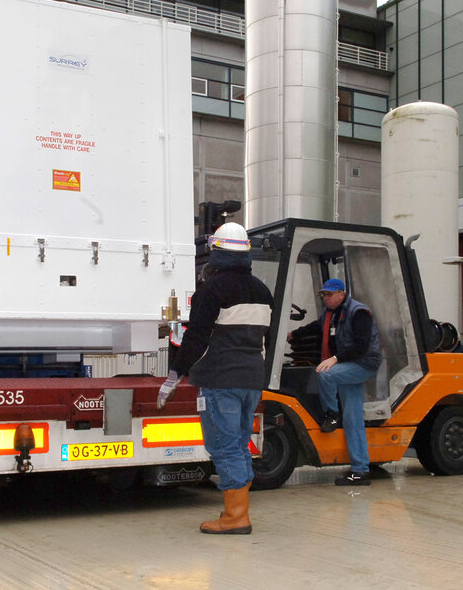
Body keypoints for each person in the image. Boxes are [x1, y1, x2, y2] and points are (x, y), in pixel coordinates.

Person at [157, 222, 273, 534]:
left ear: (215, 251)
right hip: (251, 381)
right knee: (238, 443)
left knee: (223, 446)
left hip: (221, 380)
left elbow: (196, 338)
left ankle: (237, 517)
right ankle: (236, 510)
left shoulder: (212, 290)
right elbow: (268, 339)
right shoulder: (263, 291)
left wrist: (174, 375)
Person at [287, 278, 382, 486]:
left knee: (325, 373)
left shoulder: (359, 313)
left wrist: (334, 359)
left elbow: (361, 346)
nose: (326, 298)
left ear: (342, 294)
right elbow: (316, 327)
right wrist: (294, 334)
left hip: (363, 364)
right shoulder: (331, 314)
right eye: (324, 295)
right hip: (348, 365)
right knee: (353, 419)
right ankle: (360, 471)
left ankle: (331, 414)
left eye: (330, 295)